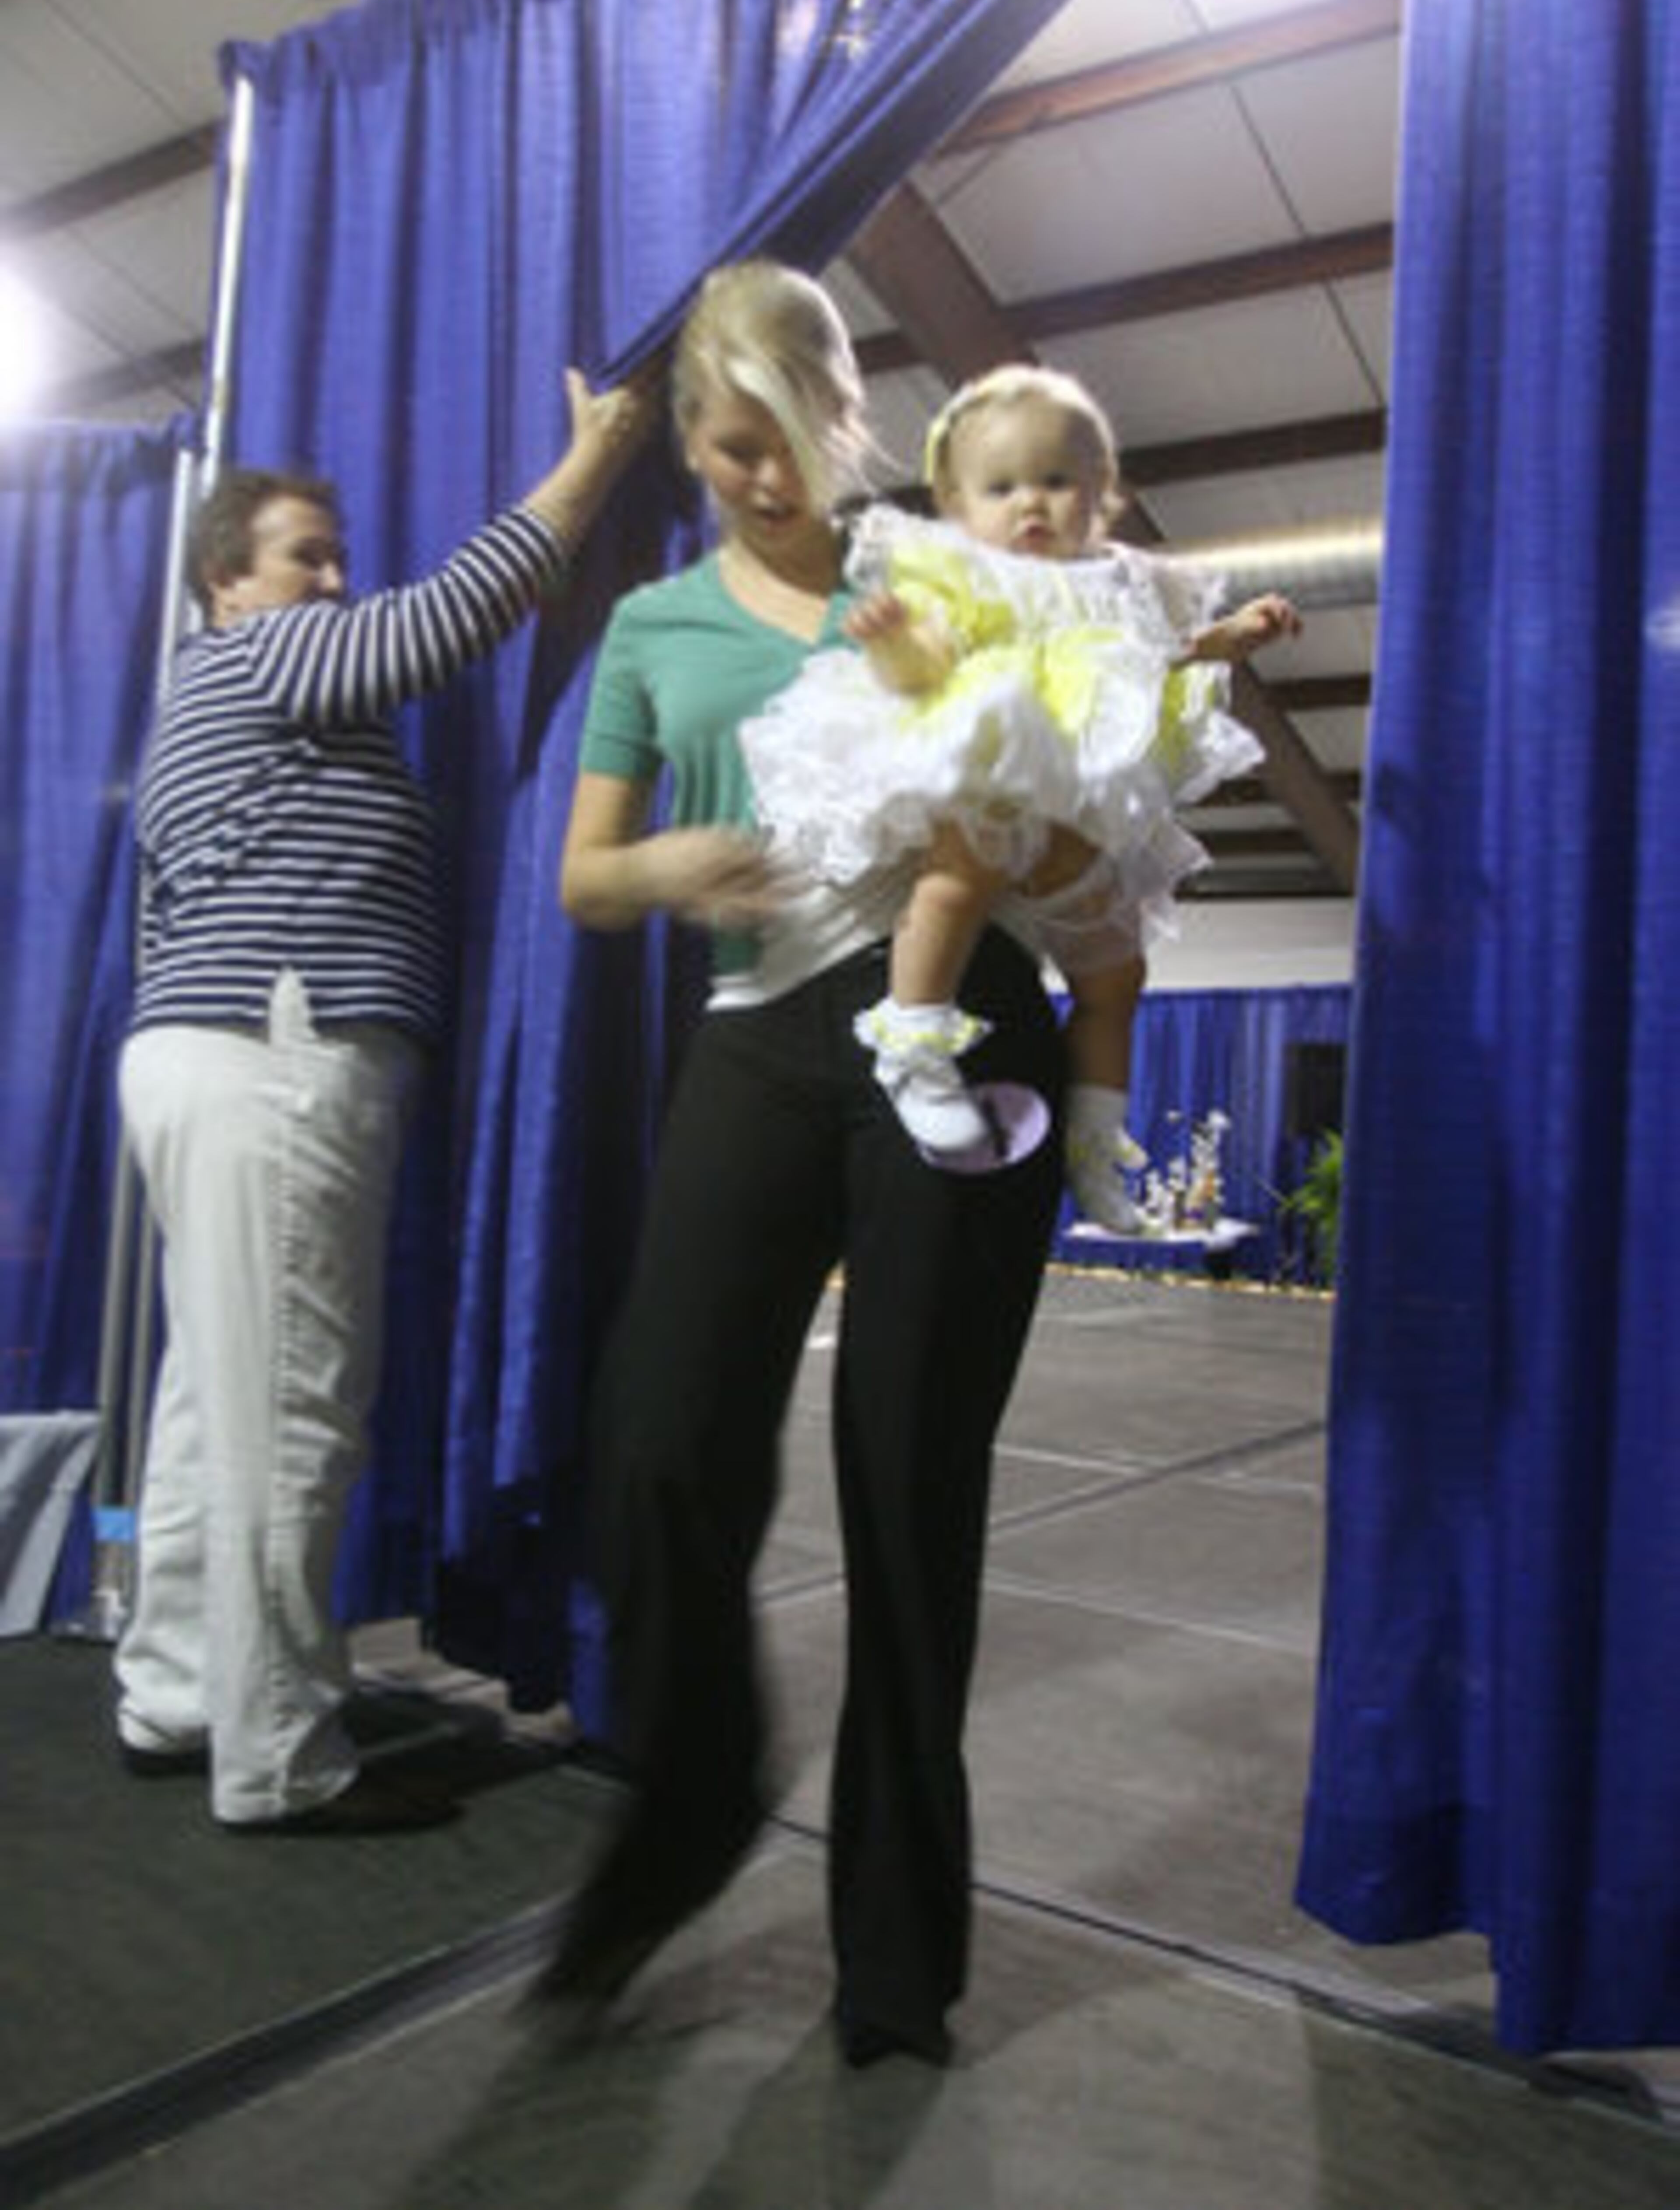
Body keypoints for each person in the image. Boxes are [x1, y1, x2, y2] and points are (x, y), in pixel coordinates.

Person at [541, 261, 1068, 2066]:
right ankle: (694, 1791)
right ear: (692, 437)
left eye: (786, 442)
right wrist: (667, 867)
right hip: (759, 1030)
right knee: (660, 1444)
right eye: (723, 446)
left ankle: (897, 1964)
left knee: (913, 1483)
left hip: (952, 1013)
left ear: (845, 421)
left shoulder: (937, 564)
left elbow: (1068, 736)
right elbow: (583, 876)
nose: (758, 478)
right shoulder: (656, 629)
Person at [112, 366, 658, 1835]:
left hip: (202, 1054)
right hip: (276, 1052)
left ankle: (174, 1689)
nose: (337, 583)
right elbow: (456, 612)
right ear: (231, 585)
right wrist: (596, 461)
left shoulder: (210, 697)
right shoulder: (266, 660)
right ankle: (278, 1756)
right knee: (291, 1412)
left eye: (336, 561)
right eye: (308, 558)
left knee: (205, 1406)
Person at [742, 362, 1301, 1228]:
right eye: (1001, 487)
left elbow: (1174, 649)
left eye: (1056, 482)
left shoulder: (1122, 585)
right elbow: (928, 661)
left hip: (1079, 837)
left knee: (1119, 977)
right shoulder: (966, 578)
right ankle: (915, 1039)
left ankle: (1093, 1142)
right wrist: (896, 643)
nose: (1031, 505)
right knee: (956, 875)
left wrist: (1238, 635)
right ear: (959, 507)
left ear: (1101, 494)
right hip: (997, 793)